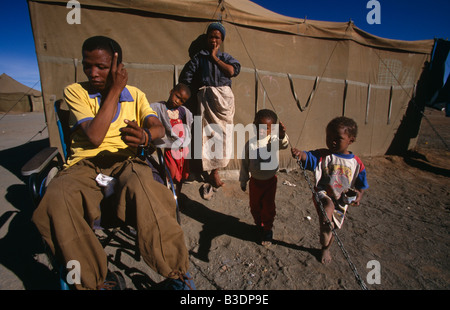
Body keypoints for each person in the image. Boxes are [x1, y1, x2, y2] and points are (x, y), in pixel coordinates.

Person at [32, 36, 192, 290]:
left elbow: (157, 126)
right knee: (55, 200)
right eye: (87, 65)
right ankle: (95, 282)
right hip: (84, 165)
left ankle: (176, 276)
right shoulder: (76, 91)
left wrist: (147, 135)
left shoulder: (136, 95)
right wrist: (115, 90)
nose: (93, 73)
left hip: (125, 163)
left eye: (101, 67)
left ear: (118, 67)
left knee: (147, 189)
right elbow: (94, 136)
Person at [291, 116, 369, 264]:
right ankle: (326, 223)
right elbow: (307, 157)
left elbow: (361, 185)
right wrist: (299, 154)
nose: (332, 141)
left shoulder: (356, 163)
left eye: (337, 138)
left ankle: (325, 248)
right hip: (323, 194)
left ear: (350, 140)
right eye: (329, 137)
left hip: (342, 200)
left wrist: (358, 196)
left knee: (330, 230)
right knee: (328, 207)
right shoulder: (323, 156)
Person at [179, 21, 241, 189]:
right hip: (207, 101)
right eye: (211, 36)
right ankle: (204, 169)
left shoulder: (225, 57)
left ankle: (215, 172)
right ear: (207, 38)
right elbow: (186, 79)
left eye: (217, 37)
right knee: (208, 136)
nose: (214, 40)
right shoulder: (198, 59)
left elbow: (231, 71)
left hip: (224, 102)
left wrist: (214, 57)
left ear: (221, 40)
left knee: (224, 136)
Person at [239, 109, 289, 246]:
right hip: (255, 182)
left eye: (266, 128)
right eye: (258, 126)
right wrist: (243, 180)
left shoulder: (272, 141)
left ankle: (267, 229)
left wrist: (282, 134)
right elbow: (244, 163)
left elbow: (284, 144)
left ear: (272, 129)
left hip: (269, 182)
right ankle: (258, 224)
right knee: (254, 206)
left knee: (268, 207)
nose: (262, 131)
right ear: (254, 125)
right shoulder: (249, 144)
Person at [150, 83, 193, 198]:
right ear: (171, 91)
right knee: (171, 172)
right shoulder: (160, 108)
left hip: (183, 148)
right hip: (171, 148)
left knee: (182, 173)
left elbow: (188, 122)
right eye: (177, 96)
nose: (177, 101)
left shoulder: (183, 111)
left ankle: (177, 195)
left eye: (182, 101)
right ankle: (168, 195)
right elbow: (149, 112)